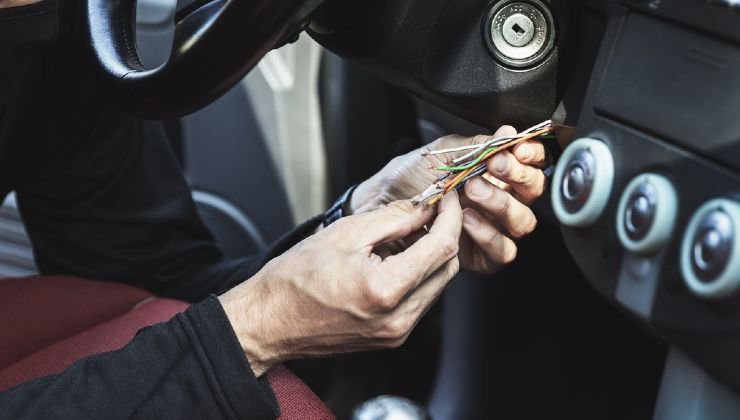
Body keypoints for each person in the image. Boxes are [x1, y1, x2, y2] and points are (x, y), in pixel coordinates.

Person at [0, 0, 550, 418]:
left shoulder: (57, 32)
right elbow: (204, 330)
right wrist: (258, 327)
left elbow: (150, 282)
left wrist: (359, 218)